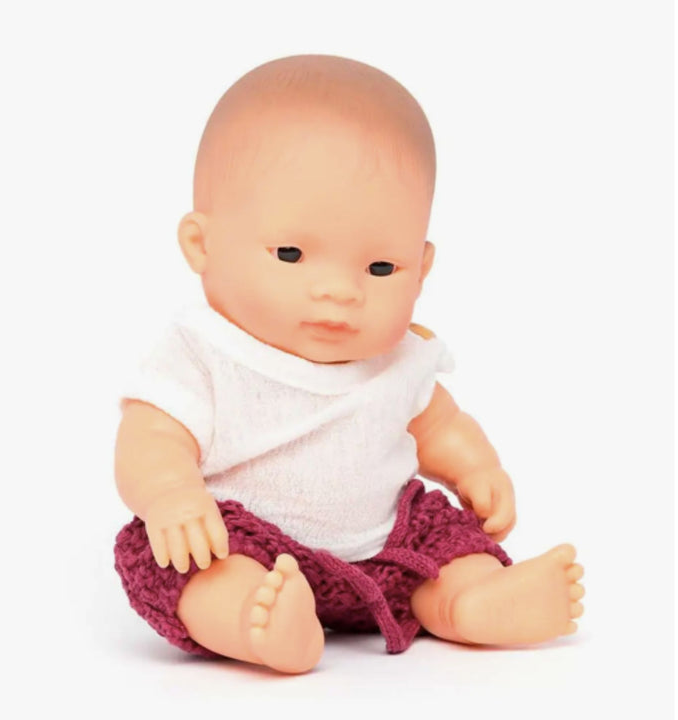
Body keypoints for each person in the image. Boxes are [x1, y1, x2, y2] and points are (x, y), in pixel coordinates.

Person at [114, 54, 584, 675]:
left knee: (443, 539)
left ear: (422, 267)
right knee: (169, 557)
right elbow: (151, 438)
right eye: (291, 253)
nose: (340, 291)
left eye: (381, 268)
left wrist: (478, 469)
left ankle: (470, 600)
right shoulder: (204, 353)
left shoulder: (400, 358)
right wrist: (171, 494)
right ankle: (253, 619)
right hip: (245, 545)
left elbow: (440, 425)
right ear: (203, 245)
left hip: (389, 545)